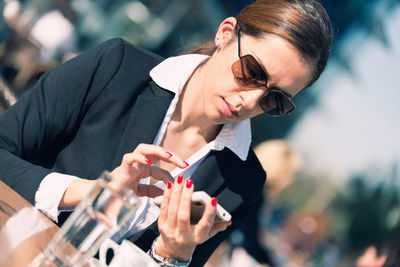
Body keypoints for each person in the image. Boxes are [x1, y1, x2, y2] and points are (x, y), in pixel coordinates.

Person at [0, 0, 333, 266]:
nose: (250, 100)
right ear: (225, 34)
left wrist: (172, 255)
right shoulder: (117, 67)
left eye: (275, 99)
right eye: (251, 71)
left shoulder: (243, 184)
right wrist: (90, 194)